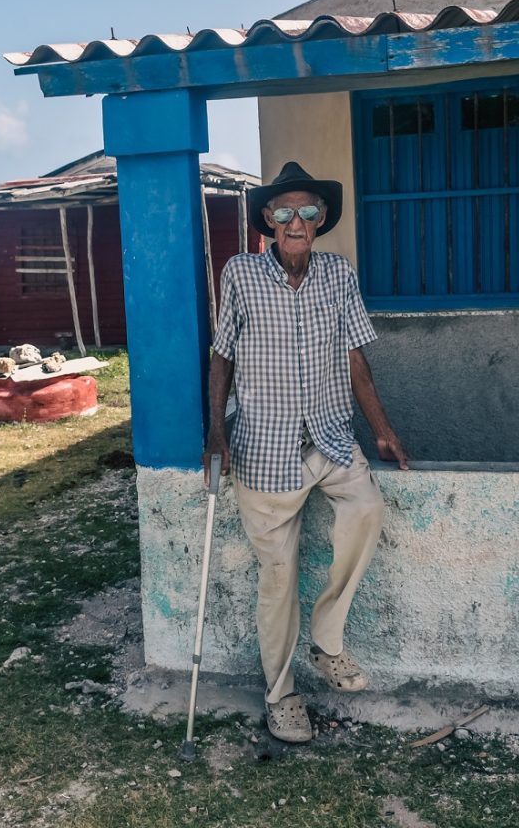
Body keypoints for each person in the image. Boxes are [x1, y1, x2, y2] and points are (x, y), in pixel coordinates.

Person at [204, 161, 408, 744]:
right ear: (268, 221)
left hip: (328, 434)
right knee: (278, 578)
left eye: (309, 211)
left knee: (367, 507)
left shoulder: (338, 275)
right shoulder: (240, 272)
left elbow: (354, 358)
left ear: (321, 221)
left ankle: (327, 640)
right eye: (285, 212)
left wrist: (383, 429)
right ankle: (280, 695)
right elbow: (224, 355)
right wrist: (216, 432)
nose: (297, 222)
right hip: (264, 447)